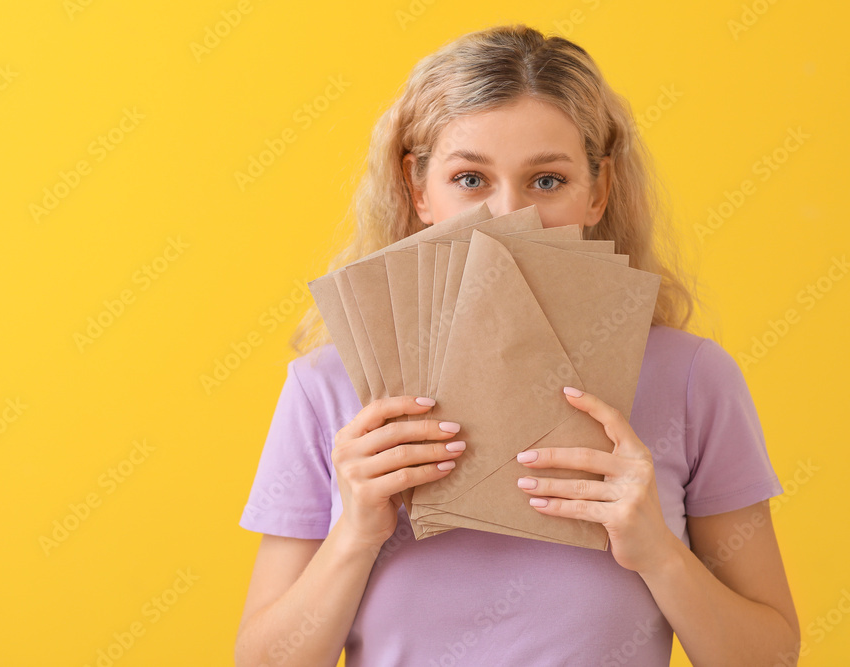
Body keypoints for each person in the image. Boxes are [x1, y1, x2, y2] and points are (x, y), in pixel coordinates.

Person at [234, 24, 799, 666]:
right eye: (470, 179)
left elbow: (771, 657)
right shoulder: (327, 388)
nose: (509, 218)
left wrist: (659, 552)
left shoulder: (695, 380)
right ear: (418, 190)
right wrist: (356, 533)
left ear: (599, 191)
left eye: (548, 181)